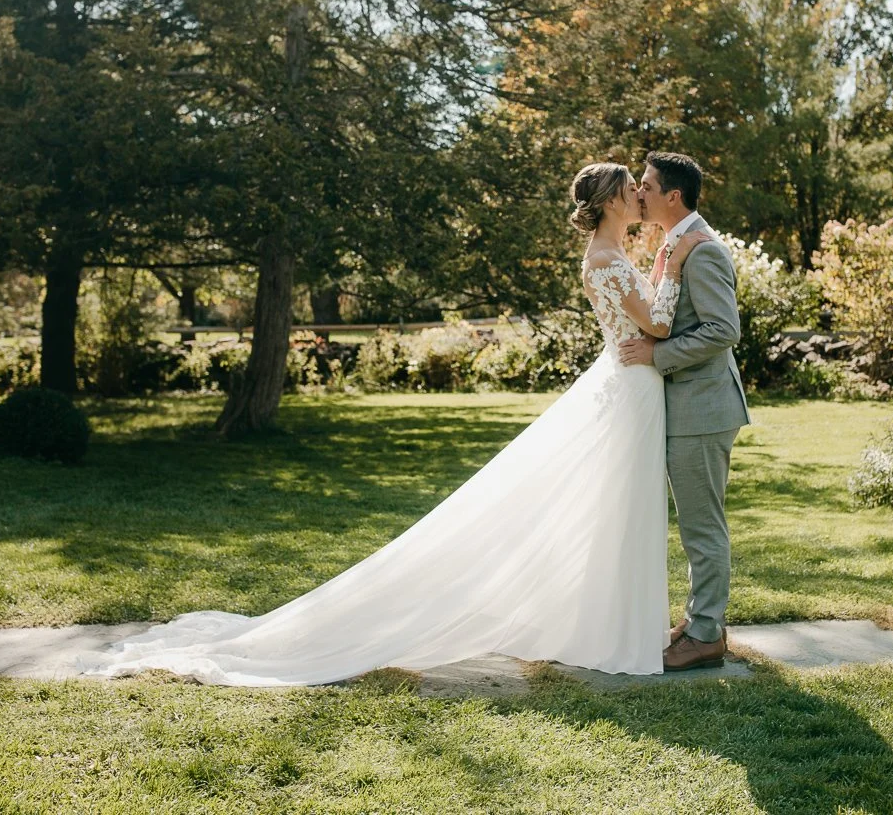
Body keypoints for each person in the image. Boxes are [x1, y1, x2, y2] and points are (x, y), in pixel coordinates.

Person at [79, 160, 715, 686]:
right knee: (612, 506)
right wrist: (672, 267)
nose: (640, 199)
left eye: (645, 191)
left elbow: (649, 319)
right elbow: (657, 325)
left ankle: (609, 624)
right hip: (629, 383)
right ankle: (611, 629)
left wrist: (662, 268)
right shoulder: (607, 258)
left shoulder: (610, 252)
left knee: (611, 510)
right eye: (632, 192)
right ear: (609, 203)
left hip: (630, 383)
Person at [621, 151, 750, 671]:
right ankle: (700, 620)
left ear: (673, 195)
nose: (640, 193)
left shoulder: (704, 251)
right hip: (687, 406)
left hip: (703, 408)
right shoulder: (676, 245)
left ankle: (706, 635)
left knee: (702, 527)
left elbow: (723, 330)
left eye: (647, 185)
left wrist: (658, 356)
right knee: (697, 523)